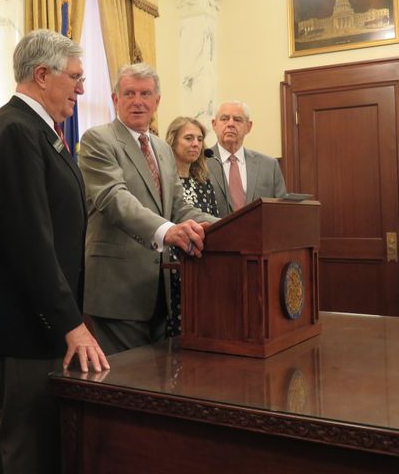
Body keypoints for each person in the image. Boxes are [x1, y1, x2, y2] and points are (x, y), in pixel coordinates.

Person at [0, 29, 108, 474]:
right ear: (42, 75)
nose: (82, 88)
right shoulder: (15, 129)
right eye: (76, 77)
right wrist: (70, 323)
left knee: (32, 443)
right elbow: (28, 240)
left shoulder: (37, 129)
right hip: (26, 327)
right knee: (27, 448)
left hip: (42, 321)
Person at [79, 63, 219, 355]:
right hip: (117, 291)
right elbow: (114, 198)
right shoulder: (97, 140)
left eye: (145, 93)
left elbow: (179, 207)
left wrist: (227, 225)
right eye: (129, 93)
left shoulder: (163, 149)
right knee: (126, 383)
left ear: (157, 101)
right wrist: (169, 232)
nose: (137, 101)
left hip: (161, 290)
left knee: (156, 382)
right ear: (116, 99)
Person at [164, 116, 219, 337]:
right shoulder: (163, 182)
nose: (195, 144)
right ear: (172, 142)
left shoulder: (204, 183)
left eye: (199, 139)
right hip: (170, 267)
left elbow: (213, 223)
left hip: (201, 267)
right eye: (188, 138)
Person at [206, 100, 287, 216]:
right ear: (214, 124)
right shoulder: (201, 162)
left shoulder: (269, 165)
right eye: (224, 119)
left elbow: (281, 209)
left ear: (248, 127)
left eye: (237, 120)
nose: (230, 124)